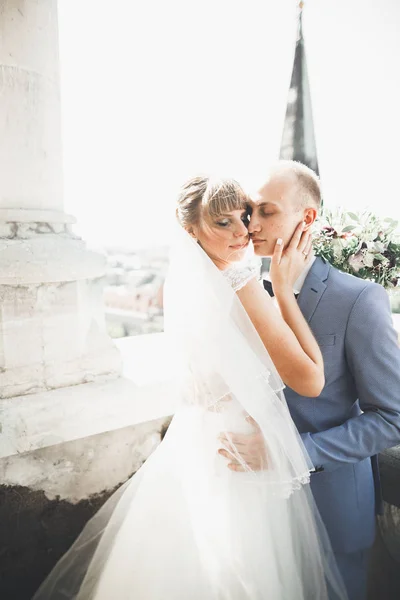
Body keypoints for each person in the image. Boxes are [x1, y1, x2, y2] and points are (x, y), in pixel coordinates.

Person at [32, 175, 347, 600]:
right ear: (191, 230)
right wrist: (284, 291)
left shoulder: (184, 285)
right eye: (223, 223)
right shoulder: (241, 281)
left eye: (245, 216)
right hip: (240, 447)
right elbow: (310, 380)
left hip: (199, 440)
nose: (242, 231)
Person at [219, 161, 400, 600]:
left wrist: (291, 453)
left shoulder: (358, 299)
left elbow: (392, 418)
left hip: (331, 508)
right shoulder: (242, 292)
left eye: (266, 211)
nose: (251, 224)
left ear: (307, 218)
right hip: (256, 510)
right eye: (248, 213)